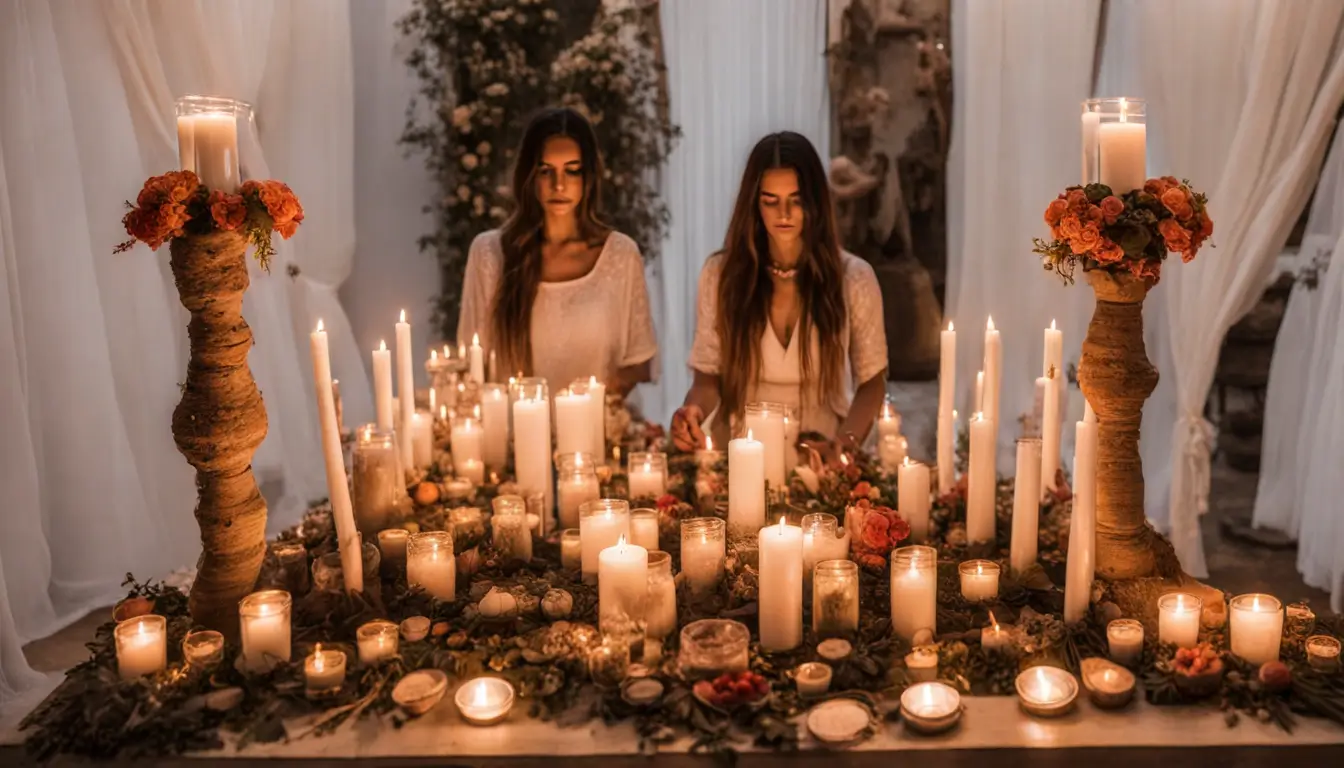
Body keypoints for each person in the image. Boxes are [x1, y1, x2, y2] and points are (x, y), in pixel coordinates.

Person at [671, 131, 888, 455]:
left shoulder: (853, 278)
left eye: (796, 200)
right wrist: (693, 413)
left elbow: (872, 383)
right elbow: (707, 380)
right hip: (744, 456)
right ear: (754, 203)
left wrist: (844, 447)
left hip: (821, 452)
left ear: (814, 201)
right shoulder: (721, 276)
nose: (783, 213)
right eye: (770, 201)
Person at [458, 107, 656, 395]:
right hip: (511, 436)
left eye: (572, 171)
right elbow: (471, 368)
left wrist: (592, 404)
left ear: (588, 177)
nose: (558, 185)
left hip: (592, 435)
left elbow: (639, 362)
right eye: (545, 171)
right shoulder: (490, 254)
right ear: (529, 176)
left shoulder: (620, 256)